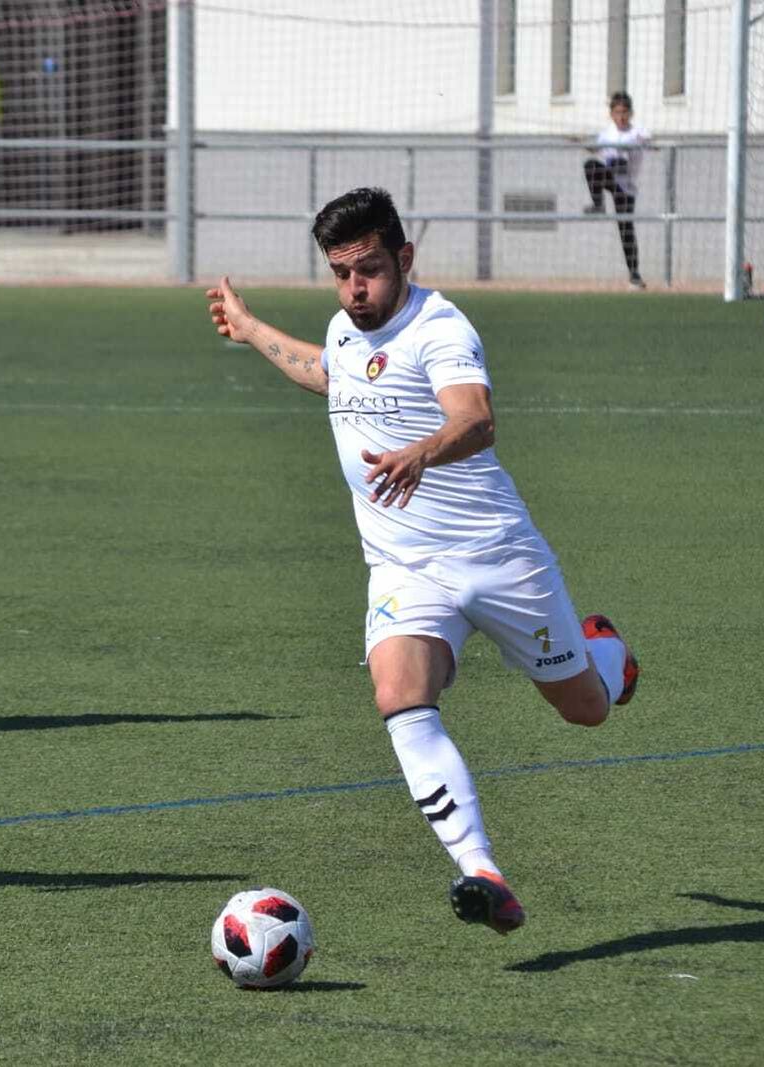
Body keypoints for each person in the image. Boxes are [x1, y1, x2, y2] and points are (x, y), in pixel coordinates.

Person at [205, 187, 639, 937]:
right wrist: (248, 330)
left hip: (498, 559)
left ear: (404, 257)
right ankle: (483, 871)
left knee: (587, 709)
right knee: (398, 693)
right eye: (340, 273)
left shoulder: (441, 328)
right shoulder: (346, 327)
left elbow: (476, 417)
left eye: (368, 269)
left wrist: (421, 453)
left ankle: (607, 655)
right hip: (406, 568)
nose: (355, 289)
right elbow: (331, 373)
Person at [582, 92, 651, 289]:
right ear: (611, 114)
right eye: (617, 112)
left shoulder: (636, 131)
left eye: (624, 112)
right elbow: (595, 148)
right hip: (612, 179)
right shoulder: (607, 134)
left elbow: (647, 138)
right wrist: (589, 146)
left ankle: (634, 274)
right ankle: (598, 204)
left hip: (626, 187)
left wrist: (643, 143)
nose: (621, 117)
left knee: (625, 228)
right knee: (591, 166)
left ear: (631, 113)